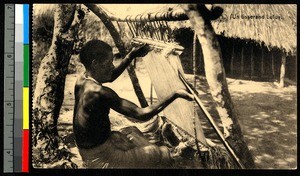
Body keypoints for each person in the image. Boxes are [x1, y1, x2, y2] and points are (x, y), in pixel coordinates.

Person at [73, 40, 193, 168]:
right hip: (101, 158)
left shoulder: (82, 80)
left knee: (132, 132)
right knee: (158, 153)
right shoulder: (100, 93)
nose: (113, 66)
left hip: (93, 148)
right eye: (109, 63)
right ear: (95, 64)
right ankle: (173, 152)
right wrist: (175, 94)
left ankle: (156, 151)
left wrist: (131, 55)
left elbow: (111, 76)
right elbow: (141, 114)